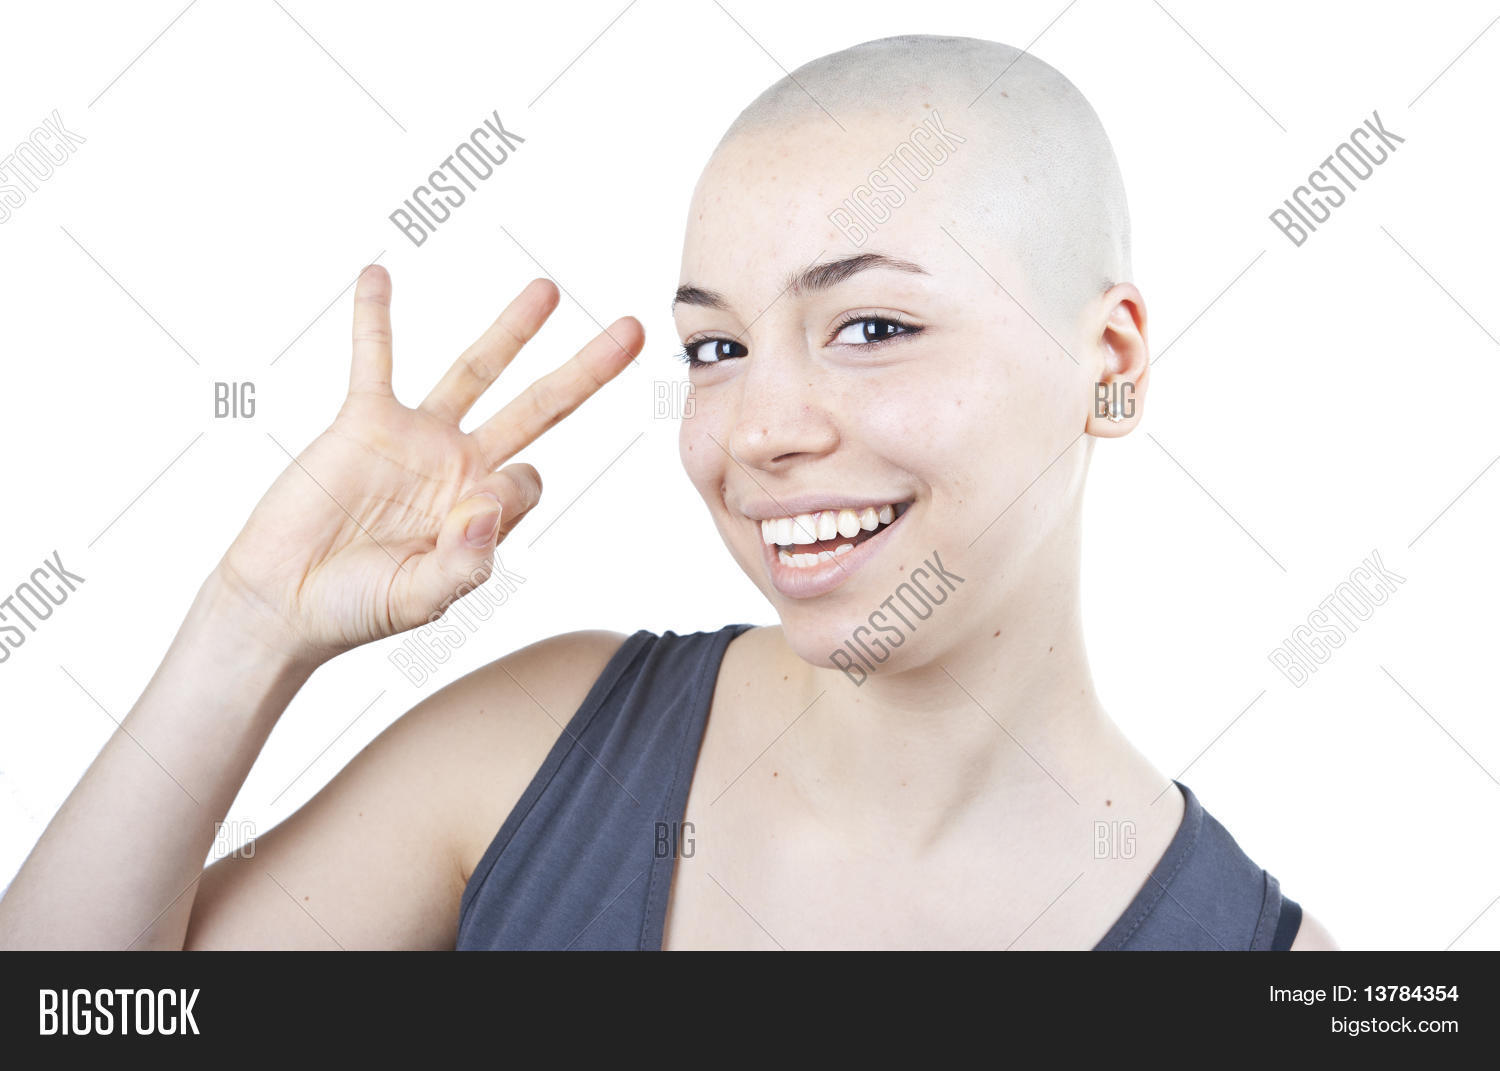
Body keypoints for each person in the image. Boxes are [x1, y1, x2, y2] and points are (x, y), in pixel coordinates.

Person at [0, 34, 1335, 950]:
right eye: (716, 349)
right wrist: (251, 622)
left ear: (1110, 364)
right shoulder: (537, 749)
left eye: (872, 327)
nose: (759, 431)